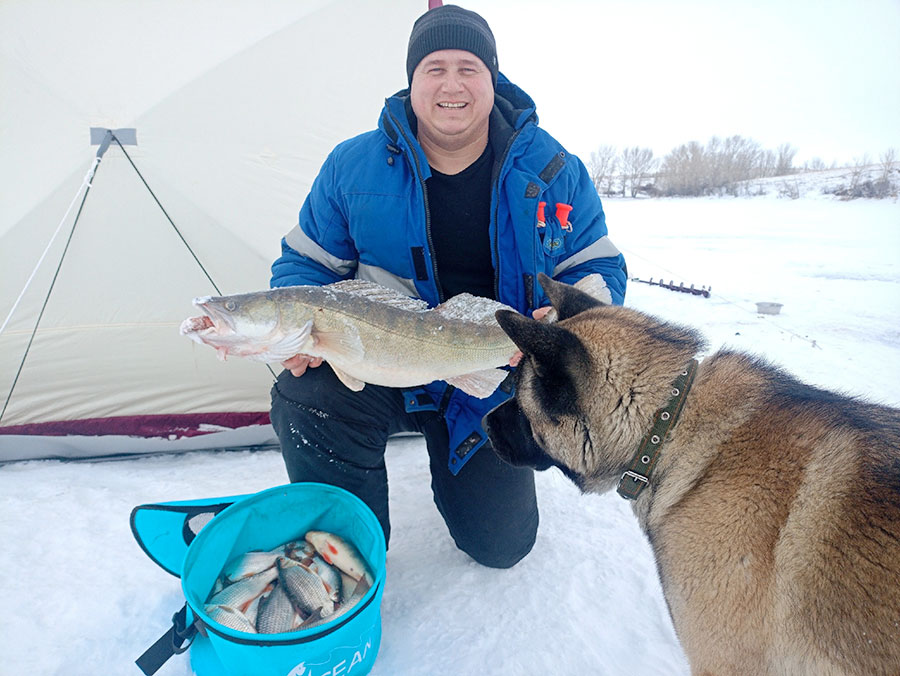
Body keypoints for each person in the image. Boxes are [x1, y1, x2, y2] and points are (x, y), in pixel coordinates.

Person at [269, 4, 627, 568]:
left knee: (501, 546)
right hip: (380, 363)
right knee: (307, 395)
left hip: (489, 372)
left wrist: (568, 322)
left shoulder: (555, 168)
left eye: (469, 67)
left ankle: (464, 464)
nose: (451, 84)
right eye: (434, 68)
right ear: (412, 82)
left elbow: (598, 269)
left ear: (492, 78)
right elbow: (305, 267)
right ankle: (345, 552)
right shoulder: (350, 166)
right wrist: (302, 337)